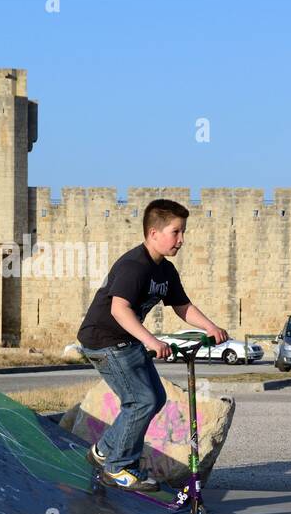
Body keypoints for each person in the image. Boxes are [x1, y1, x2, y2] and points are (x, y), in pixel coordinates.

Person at [76, 198, 228, 490]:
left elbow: (182, 305)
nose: (181, 240)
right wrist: (151, 340)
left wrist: (210, 326)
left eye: (183, 232)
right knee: (141, 401)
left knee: (154, 398)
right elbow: (119, 309)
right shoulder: (134, 266)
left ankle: (104, 449)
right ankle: (118, 467)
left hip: (126, 341)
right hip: (104, 340)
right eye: (176, 232)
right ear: (153, 233)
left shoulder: (166, 271)